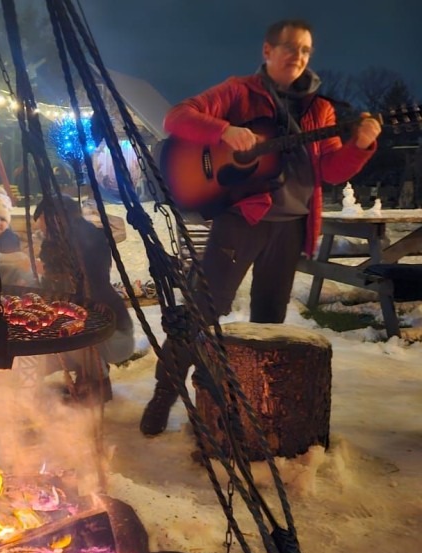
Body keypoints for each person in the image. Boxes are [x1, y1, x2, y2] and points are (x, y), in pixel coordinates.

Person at [140, 18, 381, 435]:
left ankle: (257, 407)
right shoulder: (239, 92)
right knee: (203, 309)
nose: (298, 57)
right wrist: (225, 130)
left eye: (306, 50)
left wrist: (361, 146)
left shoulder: (320, 108)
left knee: (270, 321)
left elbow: (330, 170)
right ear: (267, 51)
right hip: (241, 221)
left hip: (291, 227)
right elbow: (177, 118)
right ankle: (165, 392)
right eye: (290, 48)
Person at [36, 194, 134, 401]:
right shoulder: (66, 239)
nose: (42, 229)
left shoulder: (83, 242)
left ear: (57, 218)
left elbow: (88, 285)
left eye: (44, 222)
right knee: (57, 335)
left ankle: (99, 385)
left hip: (116, 336)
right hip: (102, 333)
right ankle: (87, 376)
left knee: (72, 333)